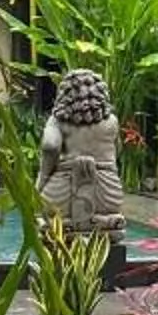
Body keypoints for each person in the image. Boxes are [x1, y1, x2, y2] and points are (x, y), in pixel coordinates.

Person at [37, 67, 125, 267]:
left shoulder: (57, 120)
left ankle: (66, 227)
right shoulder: (112, 121)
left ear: (65, 93)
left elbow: (50, 146)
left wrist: (42, 179)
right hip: (107, 194)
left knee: (45, 217)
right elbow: (116, 151)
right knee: (112, 215)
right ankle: (104, 224)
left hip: (63, 193)